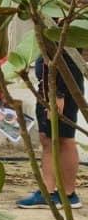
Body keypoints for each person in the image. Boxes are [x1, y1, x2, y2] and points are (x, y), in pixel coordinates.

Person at [17, 52, 84, 209]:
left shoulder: (60, 29)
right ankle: (54, 193)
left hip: (58, 90)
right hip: (51, 88)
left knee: (64, 138)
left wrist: (58, 93)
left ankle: (63, 194)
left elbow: (66, 58)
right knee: (49, 139)